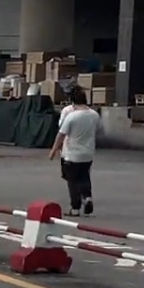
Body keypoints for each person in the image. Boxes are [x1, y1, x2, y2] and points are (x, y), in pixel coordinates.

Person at [48, 87, 99, 217]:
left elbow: (61, 134)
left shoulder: (71, 116)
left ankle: (75, 208)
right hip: (88, 152)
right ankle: (87, 197)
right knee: (84, 176)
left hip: (72, 153)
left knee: (72, 180)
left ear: (73, 102)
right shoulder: (94, 115)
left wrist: (54, 150)